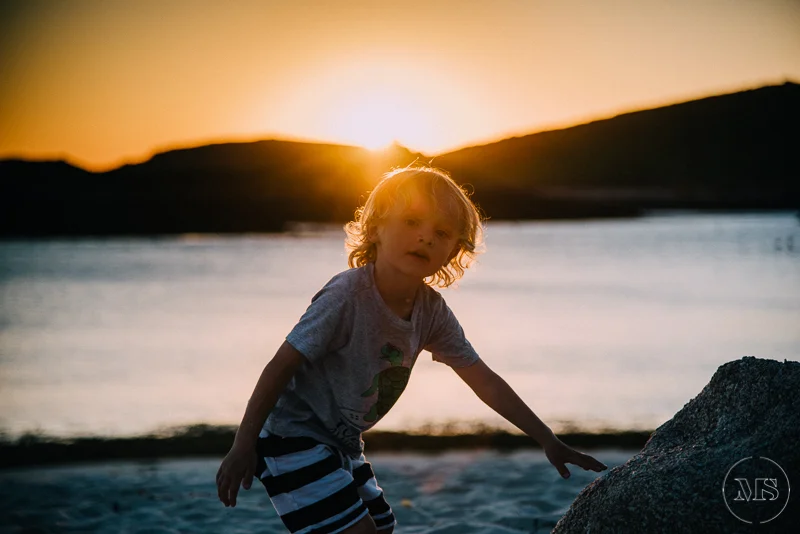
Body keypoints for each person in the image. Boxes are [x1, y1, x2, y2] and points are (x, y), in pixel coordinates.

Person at [216, 165, 607, 533]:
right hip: (289, 438)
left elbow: (484, 380)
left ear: (453, 253)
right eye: (411, 222)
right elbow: (281, 365)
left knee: (382, 527)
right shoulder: (347, 294)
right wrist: (242, 444)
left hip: (345, 444)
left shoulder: (431, 311)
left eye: (442, 232)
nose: (426, 237)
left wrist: (547, 439)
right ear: (376, 229)